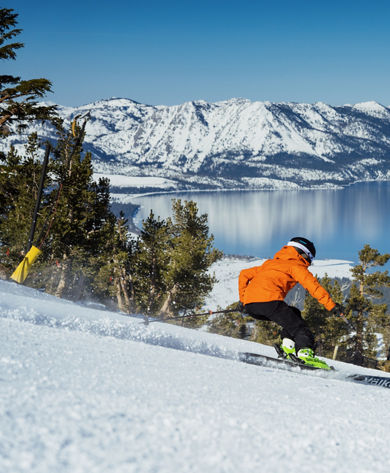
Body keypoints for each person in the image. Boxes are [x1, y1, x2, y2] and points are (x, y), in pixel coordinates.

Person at [238, 237, 343, 369]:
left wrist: (243, 301)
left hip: (251, 306)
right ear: (304, 254)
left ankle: (288, 349)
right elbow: (313, 287)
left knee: (293, 315)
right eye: (310, 258)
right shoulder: (296, 266)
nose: (310, 262)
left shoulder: (269, 264)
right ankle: (305, 355)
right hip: (270, 302)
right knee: (300, 328)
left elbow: (244, 274)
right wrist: (331, 306)